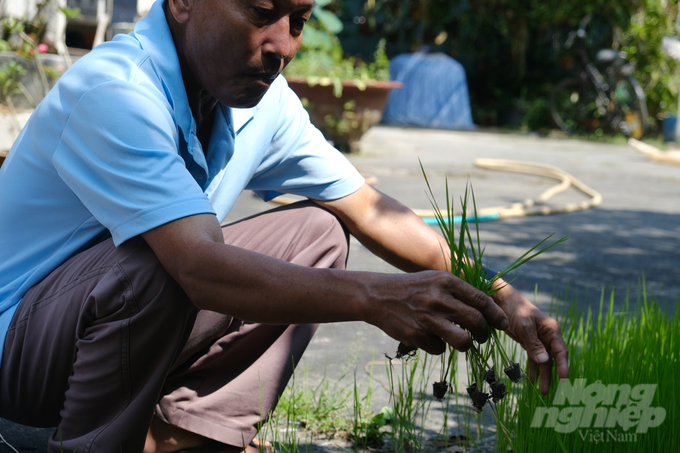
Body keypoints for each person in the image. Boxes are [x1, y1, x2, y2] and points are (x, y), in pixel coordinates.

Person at [0, 0, 568, 452]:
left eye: (298, 20)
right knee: (158, 258)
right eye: (259, 12)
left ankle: (181, 435)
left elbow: (367, 207)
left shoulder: (261, 105)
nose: (284, 46)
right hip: (19, 350)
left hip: (97, 324)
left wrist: (501, 295)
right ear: (182, 2)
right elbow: (196, 267)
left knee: (316, 233)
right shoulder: (116, 91)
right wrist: (377, 298)